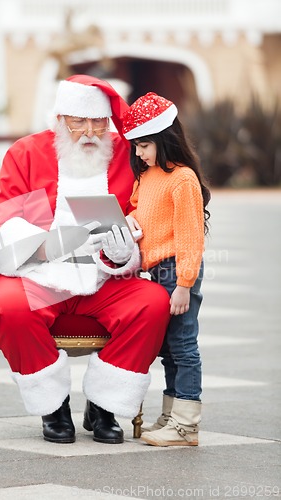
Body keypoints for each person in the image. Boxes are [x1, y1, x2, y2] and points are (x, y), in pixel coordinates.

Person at [0, 76, 171, 445]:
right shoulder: (27, 153)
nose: (88, 132)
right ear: (60, 117)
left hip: (103, 278)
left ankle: (104, 405)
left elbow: (141, 218)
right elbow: (4, 223)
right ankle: (54, 405)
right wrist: (52, 245)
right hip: (37, 273)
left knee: (152, 302)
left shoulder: (126, 156)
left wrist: (124, 252)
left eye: (98, 122)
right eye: (78, 121)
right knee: (12, 307)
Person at [122, 92, 211, 446]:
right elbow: (138, 211)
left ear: (163, 138)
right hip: (155, 272)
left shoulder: (183, 179)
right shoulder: (148, 176)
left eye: (144, 145)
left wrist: (184, 284)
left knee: (184, 345)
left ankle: (187, 424)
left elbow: (191, 237)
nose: (139, 153)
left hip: (177, 272)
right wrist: (129, 222)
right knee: (168, 349)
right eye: (136, 147)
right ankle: (172, 415)